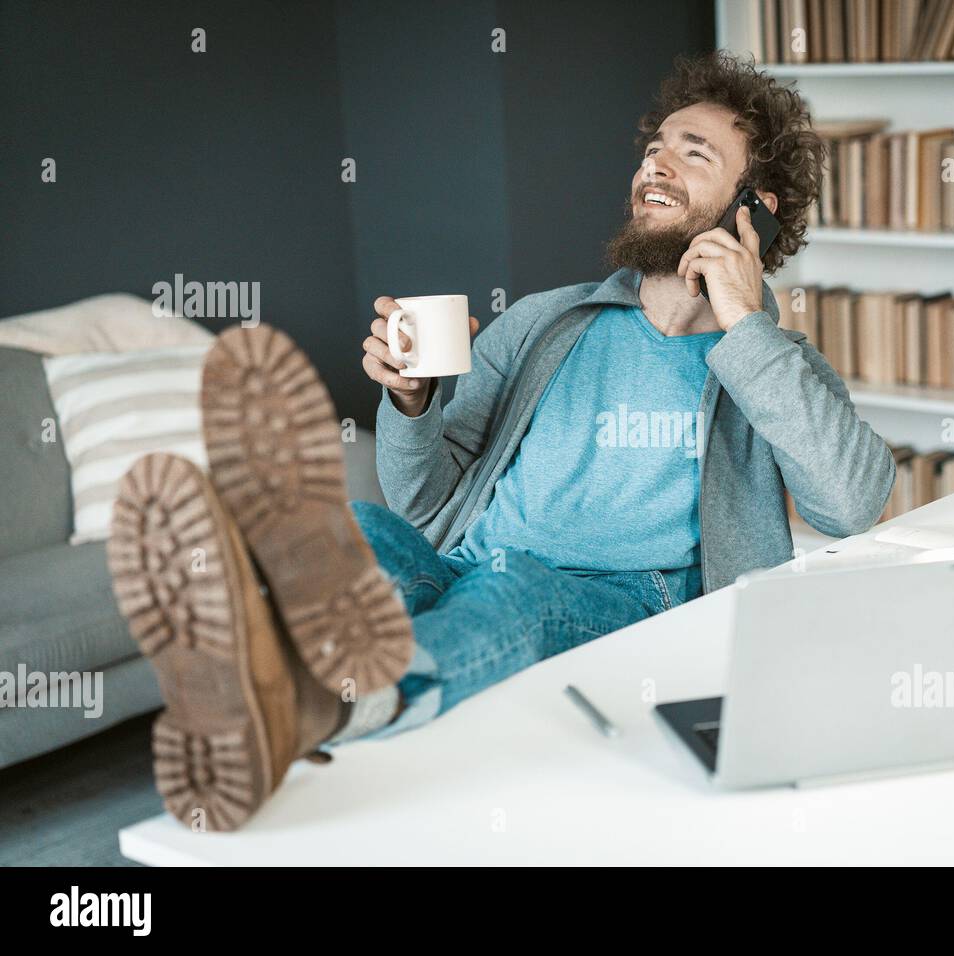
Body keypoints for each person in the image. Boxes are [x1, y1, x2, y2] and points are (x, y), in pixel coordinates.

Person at [108, 51, 895, 831]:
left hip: (624, 602)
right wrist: (410, 403)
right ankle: (261, 677)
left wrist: (748, 324)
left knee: (514, 589)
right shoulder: (545, 323)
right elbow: (422, 503)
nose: (657, 164)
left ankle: (315, 702)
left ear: (754, 208)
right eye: (655, 147)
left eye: (695, 154)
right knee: (362, 526)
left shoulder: (769, 365)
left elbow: (852, 501)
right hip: (463, 566)